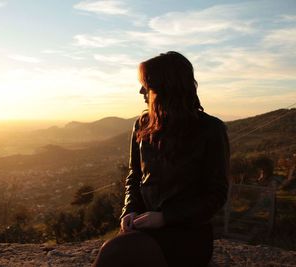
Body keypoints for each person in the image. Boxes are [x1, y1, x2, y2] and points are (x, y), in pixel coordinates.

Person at [92, 51, 230, 267]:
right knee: (117, 253)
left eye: (146, 84)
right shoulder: (142, 125)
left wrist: (165, 217)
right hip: (145, 227)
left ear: (166, 87)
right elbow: (134, 176)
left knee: (114, 253)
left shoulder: (210, 130)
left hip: (187, 234)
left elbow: (216, 195)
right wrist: (129, 210)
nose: (141, 91)